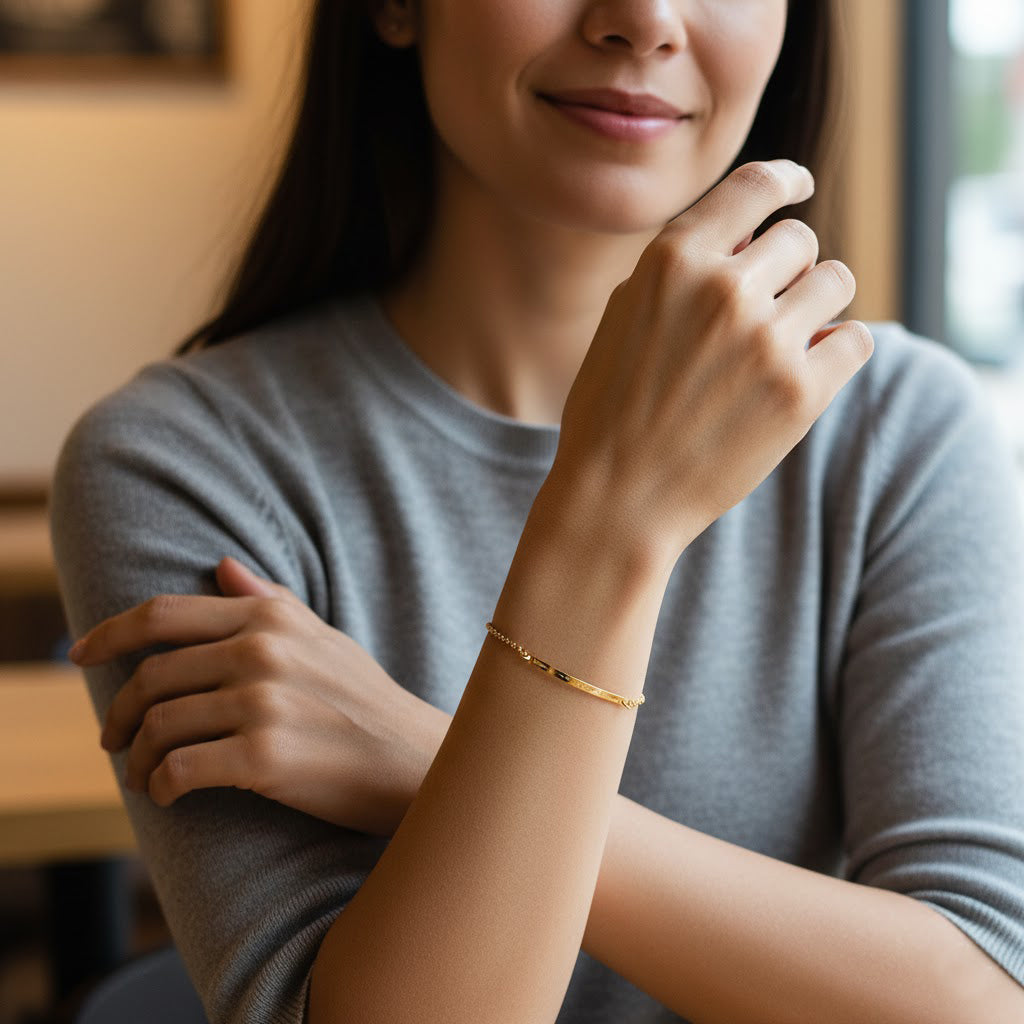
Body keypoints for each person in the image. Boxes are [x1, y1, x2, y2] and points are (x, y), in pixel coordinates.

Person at [49, 1, 1024, 1022]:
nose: (643, 20)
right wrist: (612, 518)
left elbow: (984, 995)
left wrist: (419, 755)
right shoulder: (182, 462)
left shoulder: (899, 428)